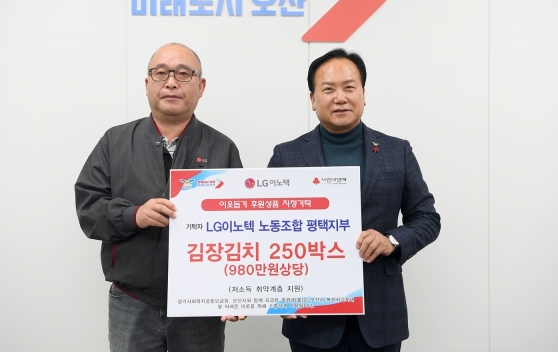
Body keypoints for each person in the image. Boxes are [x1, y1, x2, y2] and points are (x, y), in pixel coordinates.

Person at [267, 48, 441, 352]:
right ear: (312, 99)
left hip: (380, 315)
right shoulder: (287, 155)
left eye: (349, 87)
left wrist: (392, 240)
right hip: (311, 316)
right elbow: (265, 228)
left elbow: (427, 218)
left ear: (363, 94)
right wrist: (279, 292)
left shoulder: (397, 151)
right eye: (328, 89)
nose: (340, 98)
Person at [75, 43, 244, 352]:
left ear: (201, 86)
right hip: (132, 301)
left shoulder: (223, 148)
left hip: (201, 304)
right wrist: (133, 215)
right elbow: (88, 208)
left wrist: (236, 292)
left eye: (184, 74)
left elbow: (241, 228)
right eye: (161, 73)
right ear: (147, 84)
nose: (171, 82)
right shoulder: (115, 142)